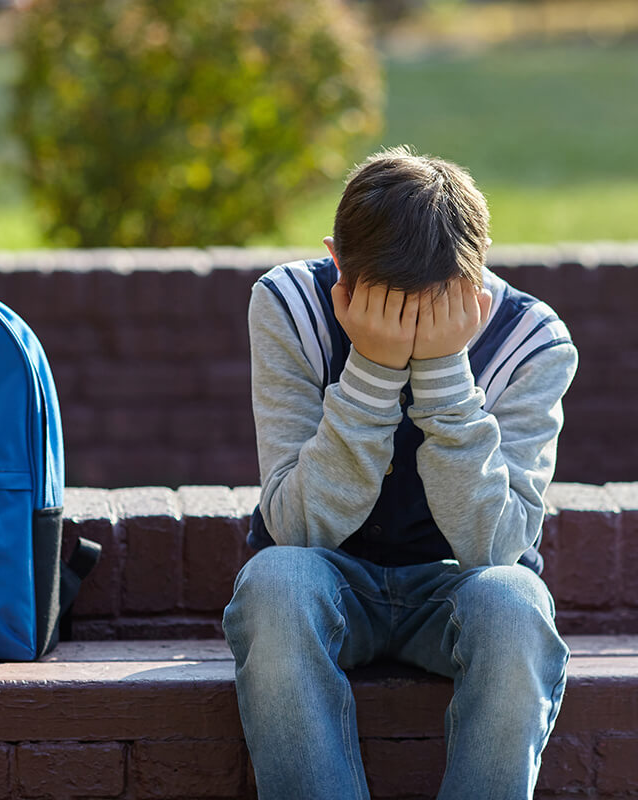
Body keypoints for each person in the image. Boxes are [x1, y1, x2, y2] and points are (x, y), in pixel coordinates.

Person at [222, 146, 578, 799]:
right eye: (390, 309)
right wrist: (373, 371)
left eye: (431, 309)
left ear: (478, 275)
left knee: (517, 606)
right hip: (327, 579)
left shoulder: (533, 342)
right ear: (338, 264)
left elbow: (499, 548)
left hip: (453, 588)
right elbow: (297, 527)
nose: (411, 328)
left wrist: (444, 378)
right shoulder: (290, 306)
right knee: (273, 583)